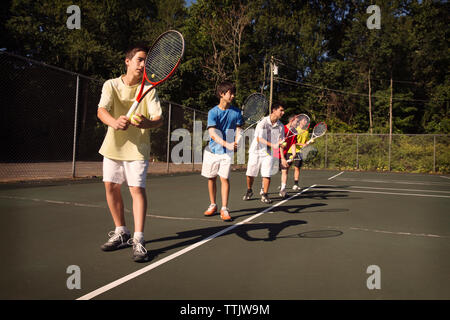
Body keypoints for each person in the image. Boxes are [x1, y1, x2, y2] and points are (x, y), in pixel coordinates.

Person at [97, 44, 163, 262]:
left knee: (136, 189)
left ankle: (138, 238)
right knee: (111, 187)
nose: (143, 65)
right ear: (127, 61)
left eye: (146, 61)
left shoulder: (149, 90)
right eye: (140, 60)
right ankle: (121, 231)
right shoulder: (111, 85)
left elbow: (158, 119)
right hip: (113, 146)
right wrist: (114, 122)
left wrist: (146, 122)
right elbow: (101, 110)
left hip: (137, 149)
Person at [201, 81, 243, 222]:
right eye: (230, 93)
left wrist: (237, 140)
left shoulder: (237, 112)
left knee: (224, 178)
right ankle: (213, 204)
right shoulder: (213, 112)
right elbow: (212, 133)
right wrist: (227, 143)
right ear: (222, 94)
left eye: (233, 93)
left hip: (226, 153)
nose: (233, 95)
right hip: (212, 151)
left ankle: (224, 208)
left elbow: (239, 129)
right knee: (211, 178)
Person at [243, 102, 287, 204]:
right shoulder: (262, 122)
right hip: (256, 151)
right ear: (274, 110)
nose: (283, 112)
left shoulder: (281, 127)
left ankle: (265, 194)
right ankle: (249, 190)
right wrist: (273, 145)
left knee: (267, 174)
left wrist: (283, 155)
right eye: (281, 110)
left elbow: (280, 143)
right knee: (250, 174)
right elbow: (259, 138)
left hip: (269, 153)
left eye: (283, 110)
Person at [277, 115, 301, 198]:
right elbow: (279, 143)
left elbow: (293, 144)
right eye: (297, 122)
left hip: (284, 153)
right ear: (291, 121)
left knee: (285, 170)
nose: (298, 123)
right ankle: (263, 189)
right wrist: (282, 157)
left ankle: (283, 189)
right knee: (269, 172)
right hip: (273, 153)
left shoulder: (295, 132)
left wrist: (294, 154)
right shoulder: (282, 128)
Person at [291, 114, 310, 191]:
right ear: (300, 121)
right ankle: (283, 185)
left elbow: (305, 142)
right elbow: (293, 142)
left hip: (300, 152)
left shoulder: (306, 132)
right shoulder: (295, 130)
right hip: (291, 151)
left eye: (306, 120)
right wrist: (302, 144)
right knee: (286, 169)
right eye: (304, 120)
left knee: (297, 168)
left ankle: (296, 184)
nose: (305, 122)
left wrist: (308, 143)